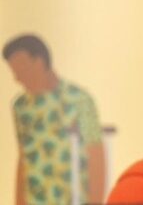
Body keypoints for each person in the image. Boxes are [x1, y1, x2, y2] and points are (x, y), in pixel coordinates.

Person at [3, 34, 105, 205]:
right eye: (15, 72)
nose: (17, 78)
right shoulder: (21, 107)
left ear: (39, 62)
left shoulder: (80, 100)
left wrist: (95, 202)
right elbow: (23, 158)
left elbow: (95, 155)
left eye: (21, 70)